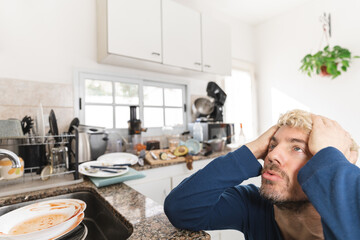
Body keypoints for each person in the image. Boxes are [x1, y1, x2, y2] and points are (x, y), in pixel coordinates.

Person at [164, 109, 360, 240]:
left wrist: (333, 162)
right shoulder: (253, 203)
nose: (272, 155)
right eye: (272, 145)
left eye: (297, 148)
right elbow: (181, 209)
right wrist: (251, 149)